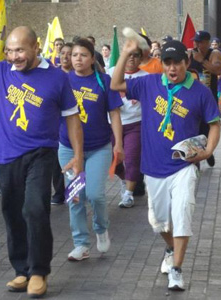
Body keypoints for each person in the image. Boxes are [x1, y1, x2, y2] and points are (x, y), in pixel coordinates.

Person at [0, 16, 84, 298]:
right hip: (6, 155)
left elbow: (72, 117)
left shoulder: (57, 78)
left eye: (21, 51)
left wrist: (78, 155)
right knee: (12, 213)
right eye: (11, 51)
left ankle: (39, 271)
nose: (15, 57)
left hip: (41, 153)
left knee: (35, 209)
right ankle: (22, 271)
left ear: (36, 47)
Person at [111, 39, 220, 291]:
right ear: (161, 64)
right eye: (167, 63)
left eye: (177, 63)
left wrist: (208, 151)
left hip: (183, 166)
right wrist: (126, 52)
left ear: (186, 62)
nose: (172, 68)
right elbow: (116, 84)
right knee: (158, 220)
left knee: (182, 212)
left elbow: (215, 124)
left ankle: (177, 269)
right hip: (152, 166)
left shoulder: (200, 91)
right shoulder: (148, 83)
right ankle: (170, 247)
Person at [59, 38, 123, 261]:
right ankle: (81, 244)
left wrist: (119, 144)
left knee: (95, 194)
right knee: (75, 197)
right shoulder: (62, 81)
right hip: (68, 149)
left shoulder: (104, 81)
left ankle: (101, 228)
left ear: (92, 58)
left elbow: (115, 113)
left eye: (83, 55)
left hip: (99, 147)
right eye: (74, 55)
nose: (77, 59)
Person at [108, 47, 148, 208]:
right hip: (111, 124)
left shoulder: (146, 76)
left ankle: (129, 194)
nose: (131, 59)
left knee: (132, 158)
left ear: (140, 58)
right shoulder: (110, 72)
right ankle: (125, 179)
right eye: (128, 55)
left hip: (135, 124)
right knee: (111, 161)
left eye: (135, 56)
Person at [189, 30, 221, 167]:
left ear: (208, 43)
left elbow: (217, 70)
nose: (197, 44)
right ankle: (196, 158)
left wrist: (201, 60)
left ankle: (208, 150)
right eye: (195, 41)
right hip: (193, 95)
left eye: (200, 42)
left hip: (209, 96)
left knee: (208, 126)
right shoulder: (191, 53)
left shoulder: (214, 53)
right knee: (194, 126)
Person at [50, 42, 74, 206]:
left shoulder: (78, 76)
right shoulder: (53, 75)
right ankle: (59, 192)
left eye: (69, 53)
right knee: (56, 161)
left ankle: (75, 190)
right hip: (55, 124)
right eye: (63, 53)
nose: (65, 56)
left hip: (75, 124)